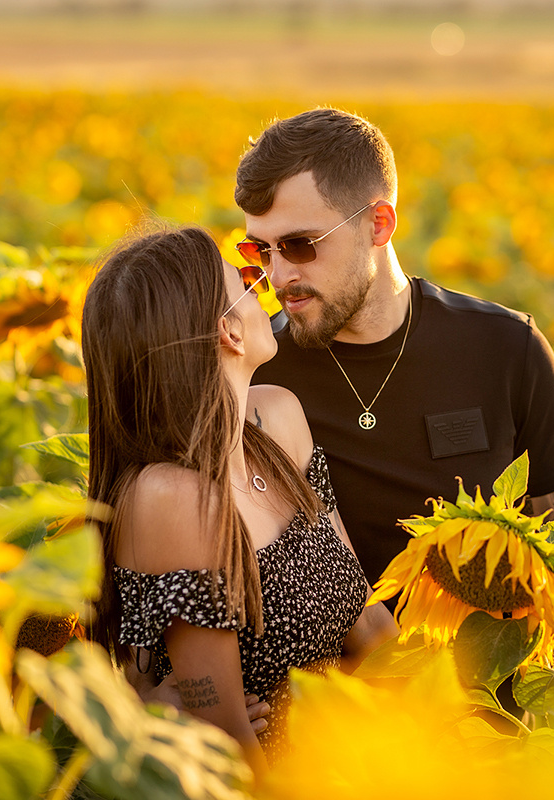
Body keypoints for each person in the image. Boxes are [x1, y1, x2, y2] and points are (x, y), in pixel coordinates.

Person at [237, 108, 554, 610]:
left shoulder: (506, 347)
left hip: (492, 659)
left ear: (378, 224)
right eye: (261, 250)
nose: (278, 275)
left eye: (299, 245)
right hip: (346, 661)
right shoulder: (257, 372)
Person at [81, 225, 397, 775]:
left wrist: (442, 726)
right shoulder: (170, 497)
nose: (267, 286)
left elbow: (368, 624)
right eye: (247, 281)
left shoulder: (278, 419)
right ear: (227, 331)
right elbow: (229, 744)